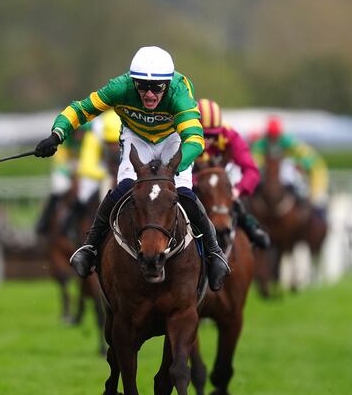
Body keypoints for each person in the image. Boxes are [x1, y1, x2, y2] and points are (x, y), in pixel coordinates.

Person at [34, 46, 230, 291]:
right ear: (132, 82)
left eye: (157, 88)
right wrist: (57, 134)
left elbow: (194, 139)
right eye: (142, 86)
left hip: (172, 140)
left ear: (167, 85)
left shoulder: (180, 93)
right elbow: (81, 109)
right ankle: (90, 247)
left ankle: (214, 254)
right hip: (136, 138)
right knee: (124, 189)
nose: (149, 94)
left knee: (185, 195)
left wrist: (173, 167)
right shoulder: (120, 87)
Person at [196, 98, 270, 249]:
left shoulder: (230, 135)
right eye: (204, 134)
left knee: (235, 203)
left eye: (213, 136)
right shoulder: (180, 133)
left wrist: (237, 190)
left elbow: (252, 171)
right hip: (192, 181)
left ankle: (251, 228)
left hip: (222, 180)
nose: (208, 140)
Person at [251, 116, 329, 218]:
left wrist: (302, 164)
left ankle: (301, 197)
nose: (273, 138)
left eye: (275, 135)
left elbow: (307, 155)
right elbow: (254, 156)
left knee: (289, 170)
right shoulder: (262, 142)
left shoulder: (287, 140)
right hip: (268, 168)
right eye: (271, 135)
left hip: (284, 166)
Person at [60, 109, 122, 235]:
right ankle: (72, 228)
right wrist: (105, 175)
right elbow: (86, 166)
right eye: (109, 143)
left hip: (123, 171)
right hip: (102, 171)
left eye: (117, 143)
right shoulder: (94, 136)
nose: (114, 148)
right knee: (83, 195)